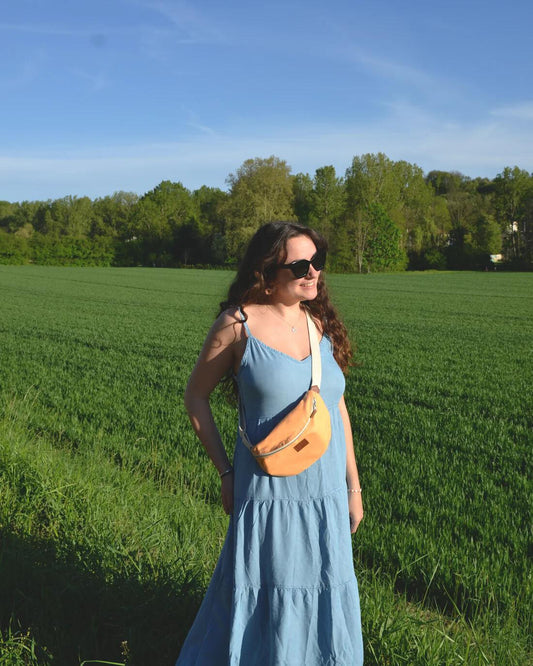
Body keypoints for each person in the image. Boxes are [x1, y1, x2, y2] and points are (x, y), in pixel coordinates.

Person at [176, 221, 364, 665]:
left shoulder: (319, 324)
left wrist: (352, 487)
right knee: (266, 589)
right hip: (267, 493)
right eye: (300, 264)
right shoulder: (237, 325)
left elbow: (335, 408)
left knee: (324, 584)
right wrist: (225, 472)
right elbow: (195, 396)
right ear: (267, 269)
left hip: (325, 494)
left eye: (317, 261)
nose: (313, 271)